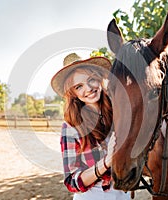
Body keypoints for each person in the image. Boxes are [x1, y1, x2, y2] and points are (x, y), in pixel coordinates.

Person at [51, 53, 130, 200]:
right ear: (73, 93)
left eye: (91, 80)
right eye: (79, 86)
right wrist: (107, 161)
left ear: (99, 79)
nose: (88, 89)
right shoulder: (71, 127)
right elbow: (71, 182)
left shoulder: (118, 114)